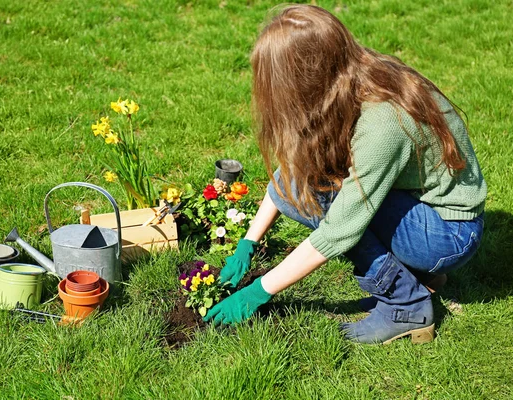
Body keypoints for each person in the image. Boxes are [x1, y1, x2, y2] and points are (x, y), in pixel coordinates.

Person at [203, 5, 486, 344]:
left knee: (319, 197)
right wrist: (249, 241)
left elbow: (339, 228)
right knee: (304, 187)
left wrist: (258, 292)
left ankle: (405, 304)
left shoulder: (382, 122)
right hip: (418, 206)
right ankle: (418, 277)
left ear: (308, 76)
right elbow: (296, 167)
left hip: (447, 233)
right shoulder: (350, 77)